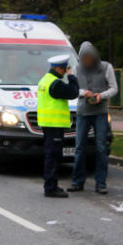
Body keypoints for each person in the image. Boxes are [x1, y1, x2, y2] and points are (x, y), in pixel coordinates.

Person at [69, 42, 118, 195]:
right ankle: (77, 182)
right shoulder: (77, 69)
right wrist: (85, 93)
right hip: (83, 112)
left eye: (90, 58)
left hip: (100, 112)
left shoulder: (106, 67)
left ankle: (101, 183)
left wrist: (101, 96)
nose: (88, 61)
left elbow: (114, 88)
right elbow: (73, 90)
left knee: (101, 148)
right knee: (79, 148)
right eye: (85, 58)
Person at [37, 54, 79, 198]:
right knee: (54, 157)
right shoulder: (56, 84)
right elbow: (73, 92)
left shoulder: (44, 80)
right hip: (54, 124)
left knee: (50, 155)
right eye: (65, 69)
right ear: (61, 69)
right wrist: (72, 76)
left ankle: (51, 185)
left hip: (47, 124)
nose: (66, 72)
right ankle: (50, 188)